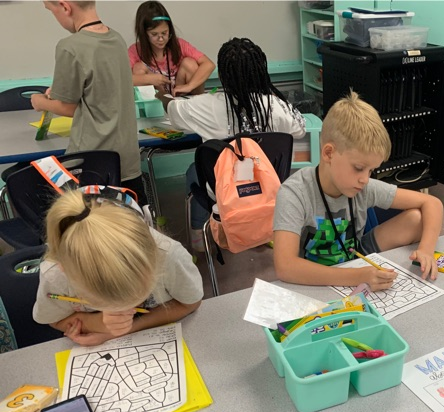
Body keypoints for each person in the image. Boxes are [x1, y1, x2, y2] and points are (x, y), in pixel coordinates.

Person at [273, 91, 443, 290]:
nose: (365, 179)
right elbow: (285, 267)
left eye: (371, 170)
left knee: (416, 219)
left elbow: (432, 202)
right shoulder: (294, 193)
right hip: (313, 275)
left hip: (356, 254)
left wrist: (426, 250)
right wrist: (357, 276)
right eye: (359, 168)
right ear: (329, 153)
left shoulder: (364, 186)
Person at [158, 37, 306, 248]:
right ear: (261, 72)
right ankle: (264, 229)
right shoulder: (275, 106)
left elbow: (172, 110)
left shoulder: (206, 105)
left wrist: (162, 95)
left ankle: (199, 234)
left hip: (226, 190)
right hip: (268, 185)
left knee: (194, 171)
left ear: (222, 75)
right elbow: (300, 129)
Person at [33, 191, 203, 346]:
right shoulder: (55, 275)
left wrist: (119, 331)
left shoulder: (167, 255)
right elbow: (54, 320)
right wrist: (99, 323)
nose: (124, 312)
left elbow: (189, 303)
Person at [30, 1, 145, 203]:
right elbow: (101, 90)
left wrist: (40, 102)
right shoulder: (116, 39)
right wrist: (59, 92)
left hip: (91, 160)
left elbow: (68, 108)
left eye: (52, 11)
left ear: (65, 7)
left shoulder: (70, 47)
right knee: (129, 216)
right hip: (126, 158)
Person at [129, 1, 214, 96]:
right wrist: (150, 79)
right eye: (154, 34)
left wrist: (190, 86)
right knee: (138, 68)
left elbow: (209, 64)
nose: (161, 39)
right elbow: (121, 78)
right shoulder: (135, 50)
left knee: (189, 63)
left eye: (164, 33)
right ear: (144, 34)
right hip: (159, 97)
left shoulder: (179, 44)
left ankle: (195, 100)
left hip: (180, 95)